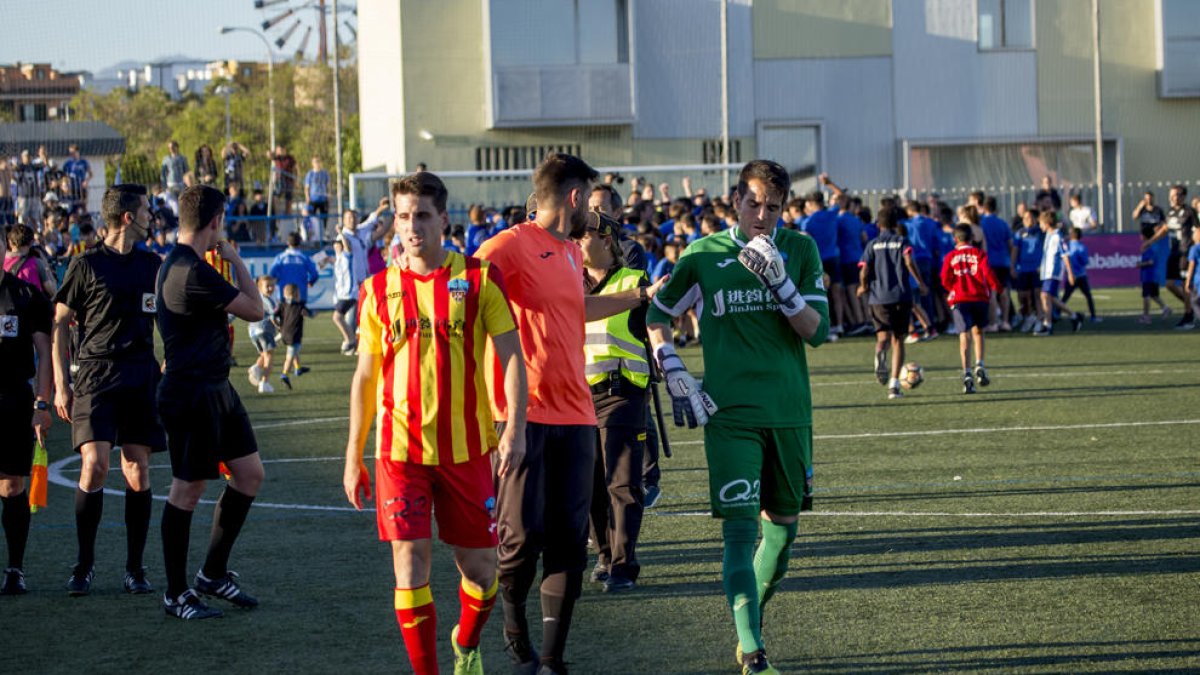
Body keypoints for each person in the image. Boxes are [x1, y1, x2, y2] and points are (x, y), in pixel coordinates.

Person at [646, 159, 829, 675]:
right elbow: (658, 314)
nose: (762, 215)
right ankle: (752, 652)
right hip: (728, 416)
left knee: (783, 536)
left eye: (773, 207)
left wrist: (781, 283)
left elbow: (817, 331)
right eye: (754, 204)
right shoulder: (703, 255)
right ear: (735, 201)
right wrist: (673, 365)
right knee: (739, 533)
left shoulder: (800, 249)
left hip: (789, 411)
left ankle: (751, 622)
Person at [475, 153, 654, 675]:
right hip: (521, 417)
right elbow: (461, 295)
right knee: (520, 541)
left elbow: (577, 306)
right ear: (575, 197)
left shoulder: (573, 254)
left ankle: (552, 660)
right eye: (589, 201)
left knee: (569, 545)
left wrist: (638, 295)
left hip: (577, 416)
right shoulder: (507, 246)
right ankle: (513, 625)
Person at [342, 171, 528, 675]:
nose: (411, 226)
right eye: (403, 217)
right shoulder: (376, 290)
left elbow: (512, 355)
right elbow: (365, 376)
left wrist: (515, 428)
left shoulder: (480, 278)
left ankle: (466, 644)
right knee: (410, 563)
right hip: (399, 451)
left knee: (482, 571)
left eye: (421, 215)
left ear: (443, 218)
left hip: (468, 450)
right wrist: (352, 455)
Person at [156, 184, 266, 620]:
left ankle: (212, 574)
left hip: (217, 388)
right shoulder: (191, 270)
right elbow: (256, 310)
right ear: (217, 220)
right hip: (192, 392)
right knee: (187, 490)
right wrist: (235, 256)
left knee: (249, 474)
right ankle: (176, 593)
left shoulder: (184, 264)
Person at [51, 184, 164, 596]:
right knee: (95, 464)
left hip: (140, 375)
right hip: (96, 376)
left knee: (137, 467)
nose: (153, 217)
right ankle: (84, 565)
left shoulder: (153, 263)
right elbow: (59, 321)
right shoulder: (85, 265)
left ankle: (135, 569)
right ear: (129, 217)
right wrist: (62, 385)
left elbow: (172, 314)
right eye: (147, 210)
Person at [581, 212, 651, 594]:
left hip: (622, 390)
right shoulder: (566, 280)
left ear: (607, 240)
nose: (576, 242)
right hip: (575, 397)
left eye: (583, 235)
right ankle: (605, 556)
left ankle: (624, 565)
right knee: (590, 486)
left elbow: (655, 328)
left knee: (621, 484)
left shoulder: (634, 281)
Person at [0, 228, 53, 595]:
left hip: (13, 400)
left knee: (12, 484)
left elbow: (45, 350)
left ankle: (15, 569)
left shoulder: (23, 294)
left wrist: (42, 403)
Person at [860, 205, 928, 400]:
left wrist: (863, 286)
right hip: (900, 295)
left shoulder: (872, 244)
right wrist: (920, 282)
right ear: (896, 223)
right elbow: (908, 261)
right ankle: (894, 385)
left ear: (878, 224)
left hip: (878, 297)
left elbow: (864, 270)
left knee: (883, 338)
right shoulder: (901, 241)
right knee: (898, 340)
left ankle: (880, 353)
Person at [941, 224, 1000, 394]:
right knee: (979, 332)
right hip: (979, 297)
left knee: (963, 335)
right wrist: (996, 286)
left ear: (955, 239)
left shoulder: (951, 256)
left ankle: (967, 373)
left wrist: (953, 287)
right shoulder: (979, 253)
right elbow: (987, 272)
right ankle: (980, 364)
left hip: (960, 299)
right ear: (972, 238)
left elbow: (944, 278)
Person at [1143, 185, 1197, 329]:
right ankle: (1192, 306)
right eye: (1171, 195)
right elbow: (1165, 229)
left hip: (1185, 252)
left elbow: (1198, 230)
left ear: (1183, 196)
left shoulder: (1189, 212)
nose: (1173, 198)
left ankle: (1189, 317)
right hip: (1174, 253)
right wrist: (1149, 241)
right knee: (1169, 284)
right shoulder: (1171, 212)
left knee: (1186, 286)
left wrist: (1195, 248)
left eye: (1176, 195)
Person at [1033, 211, 1084, 336]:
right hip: (1046, 272)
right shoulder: (1049, 236)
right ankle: (1074, 316)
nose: (1040, 226)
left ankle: (1047, 325)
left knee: (1044, 296)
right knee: (1051, 298)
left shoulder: (1057, 237)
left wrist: (1070, 274)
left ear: (1047, 223)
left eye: (1041, 223)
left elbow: (1065, 255)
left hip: (1053, 273)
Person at [979, 196, 1013, 331]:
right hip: (1003, 261)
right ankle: (1005, 321)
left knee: (991, 293)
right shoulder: (1003, 223)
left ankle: (993, 322)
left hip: (989, 262)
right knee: (1004, 292)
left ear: (984, 208)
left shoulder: (982, 223)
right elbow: (1010, 244)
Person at [274, 283, 313, 389]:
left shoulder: (282, 304)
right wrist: (308, 313)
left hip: (284, 334)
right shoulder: (300, 306)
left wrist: (278, 325)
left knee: (294, 351)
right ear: (297, 295)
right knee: (290, 356)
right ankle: (284, 374)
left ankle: (298, 368)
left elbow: (274, 315)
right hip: (294, 334)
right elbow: (310, 313)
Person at [246, 275, 279, 394]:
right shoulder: (268, 300)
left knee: (264, 355)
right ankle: (264, 382)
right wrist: (280, 327)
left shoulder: (256, 297)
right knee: (269, 356)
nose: (270, 288)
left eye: (272, 286)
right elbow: (274, 316)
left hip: (253, 331)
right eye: (267, 286)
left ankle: (256, 367)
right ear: (260, 287)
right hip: (264, 329)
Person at [1013, 208, 1044, 331]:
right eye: (1025, 218)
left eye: (1030, 217)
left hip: (1036, 269)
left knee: (1037, 294)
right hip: (1023, 268)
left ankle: (1040, 319)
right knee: (1022, 295)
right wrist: (1012, 266)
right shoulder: (1019, 233)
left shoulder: (1040, 232)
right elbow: (1015, 251)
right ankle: (1029, 315)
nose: (1028, 220)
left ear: (1035, 219)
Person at [1061, 227, 1098, 322]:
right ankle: (1093, 316)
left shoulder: (1066, 246)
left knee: (1065, 297)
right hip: (1081, 276)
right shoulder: (1082, 247)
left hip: (1070, 276)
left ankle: (1055, 314)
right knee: (1088, 296)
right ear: (1080, 236)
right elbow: (1085, 261)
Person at [269, 232, 319, 302]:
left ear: (287, 243)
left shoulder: (280, 258)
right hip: (300, 294)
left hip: (283, 293)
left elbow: (272, 273)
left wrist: (279, 281)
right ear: (299, 243)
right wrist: (310, 282)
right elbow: (314, 274)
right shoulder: (304, 258)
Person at [329, 236, 358, 355]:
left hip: (349, 293)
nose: (336, 245)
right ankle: (352, 340)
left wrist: (340, 232)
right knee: (343, 318)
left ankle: (350, 340)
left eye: (338, 243)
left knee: (337, 317)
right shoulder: (339, 258)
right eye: (335, 243)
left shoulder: (347, 255)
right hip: (342, 295)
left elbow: (347, 247)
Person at [1138, 224, 1172, 325]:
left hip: (1149, 275)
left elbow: (1151, 261)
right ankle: (1165, 308)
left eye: (1141, 234)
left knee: (1146, 296)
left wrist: (1140, 264)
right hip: (1151, 275)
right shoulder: (1149, 246)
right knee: (1154, 295)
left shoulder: (1151, 247)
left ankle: (1146, 316)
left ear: (1145, 236)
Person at [304, 156, 331, 238]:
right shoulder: (310, 174)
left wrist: (329, 195)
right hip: (313, 199)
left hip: (323, 198)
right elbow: (306, 187)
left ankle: (324, 232)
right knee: (311, 217)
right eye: (315, 161)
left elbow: (328, 185)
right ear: (312, 163)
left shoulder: (325, 173)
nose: (317, 163)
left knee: (324, 216)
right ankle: (312, 234)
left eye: (318, 161)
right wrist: (307, 197)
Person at [268, 145, 298, 216]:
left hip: (289, 180)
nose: (279, 152)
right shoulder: (277, 158)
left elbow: (295, 168)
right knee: (276, 195)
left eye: (281, 150)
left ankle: (288, 213)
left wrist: (295, 180)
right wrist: (272, 152)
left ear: (284, 150)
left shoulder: (290, 158)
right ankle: (276, 213)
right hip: (279, 180)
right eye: (278, 150)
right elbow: (269, 155)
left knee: (289, 197)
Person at [1183, 226, 1200, 327]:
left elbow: (1192, 264)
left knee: (1194, 301)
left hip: (1198, 279)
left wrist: (1188, 280)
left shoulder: (1194, 248)